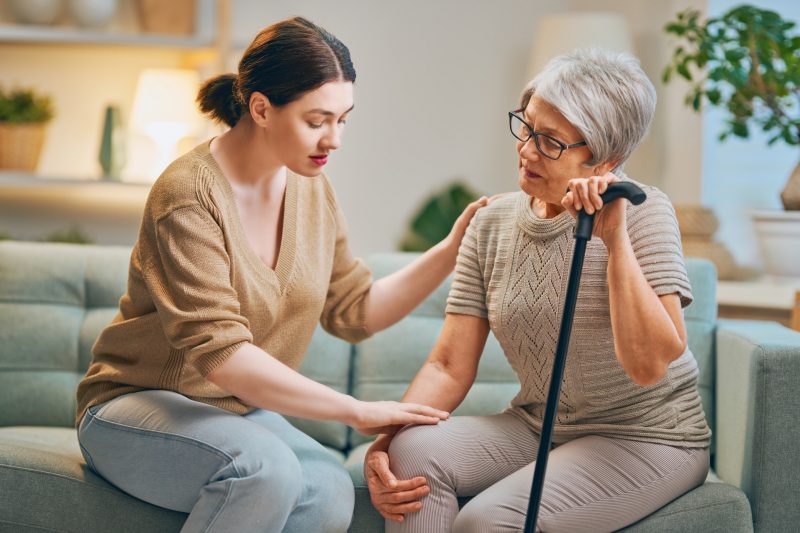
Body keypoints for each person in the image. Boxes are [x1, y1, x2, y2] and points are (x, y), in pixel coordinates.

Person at [76, 17, 489, 533]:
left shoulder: (311, 189)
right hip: (134, 407)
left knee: (327, 489)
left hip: (235, 415)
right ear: (261, 108)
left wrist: (450, 250)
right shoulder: (187, 195)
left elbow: (355, 310)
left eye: (343, 120)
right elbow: (220, 354)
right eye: (317, 120)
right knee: (262, 472)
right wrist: (355, 411)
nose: (334, 139)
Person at [365, 48, 712, 532]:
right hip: (537, 425)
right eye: (526, 128)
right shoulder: (491, 224)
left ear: (604, 160)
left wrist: (614, 240)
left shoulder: (645, 211)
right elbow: (447, 364)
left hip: (645, 438)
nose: (527, 150)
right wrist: (387, 446)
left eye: (549, 142)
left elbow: (649, 364)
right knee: (415, 451)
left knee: (488, 520)